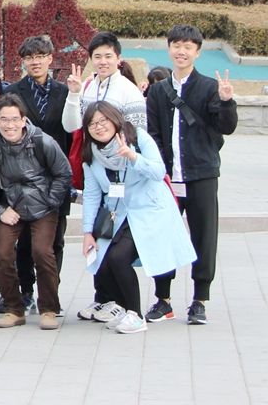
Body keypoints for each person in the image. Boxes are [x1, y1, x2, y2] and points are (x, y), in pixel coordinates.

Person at [145, 24, 238, 327]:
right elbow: (154, 135)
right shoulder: (158, 90)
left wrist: (226, 101)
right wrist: (160, 171)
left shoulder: (210, 87)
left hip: (201, 175)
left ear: (197, 52)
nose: (181, 51)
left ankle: (200, 300)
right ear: (169, 48)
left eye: (188, 46)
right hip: (168, 179)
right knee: (164, 236)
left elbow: (226, 127)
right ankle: (163, 300)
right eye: (176, 45)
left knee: (203, 236)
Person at [81, 102, 197, 334]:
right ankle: (124, 309)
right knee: (100, 261)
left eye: (103, 121)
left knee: (118, 257)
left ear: (115, 119)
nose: (99, 127)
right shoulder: (91, 153)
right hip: (119, 212)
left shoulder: (137, 138)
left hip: (149, 210)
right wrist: (87, 232)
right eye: (92, 124)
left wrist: (133, 157)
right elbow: (92, 195)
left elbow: (158, 172)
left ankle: (136, 316)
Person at [63, 32, 149, 321]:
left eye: (108, 56)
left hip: (122, 179)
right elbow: (73, 126)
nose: (102, 61)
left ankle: (121, 304)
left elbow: (138, 138)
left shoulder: (129, 91)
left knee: (115, 246)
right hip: (97, 172)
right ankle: (103, 298)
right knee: (100, 237)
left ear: (118, 58)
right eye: (97, 56)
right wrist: (75, 95)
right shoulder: (89, 87)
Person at [0, 94, 71, 330]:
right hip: (10, 206)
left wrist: (50, 201)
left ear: (24, 120)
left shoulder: (42, 141)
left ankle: (49, 309)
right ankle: (14, 308)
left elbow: (63, 173)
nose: (10, 125)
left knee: (42, 252)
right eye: (4, 120)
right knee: (2, 254)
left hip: (43, 205)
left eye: (15, 119)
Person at [3, 36, 72, 315]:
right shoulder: (13, 92)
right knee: (24, 241)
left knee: (54, 242)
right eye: (29, 58)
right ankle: (27, 291)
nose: (35, 62)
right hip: (22, 177)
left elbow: (71, 133)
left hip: (55, 175)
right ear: (23, 62)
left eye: (40, 56)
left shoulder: (65, 92)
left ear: (50, 59)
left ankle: (51, 294)